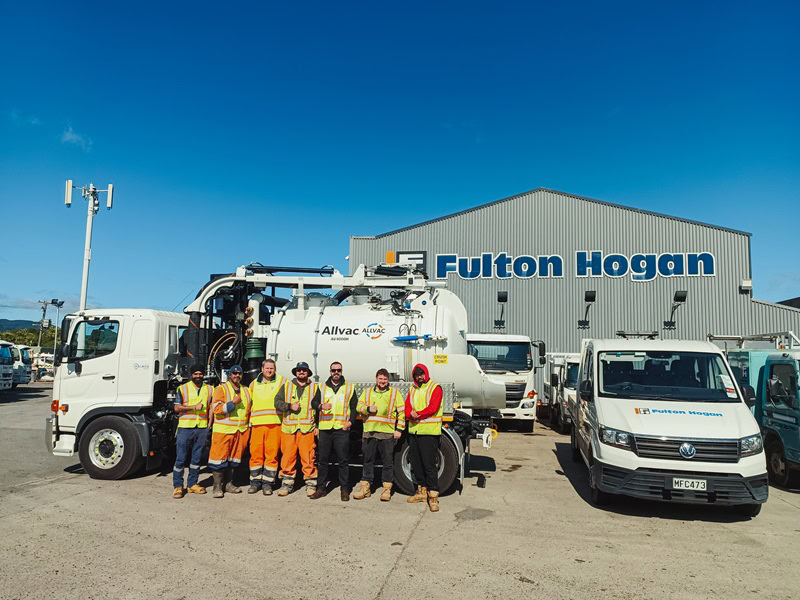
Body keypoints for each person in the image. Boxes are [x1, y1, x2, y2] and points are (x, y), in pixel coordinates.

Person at [354, 368, 405, 502]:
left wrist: (399, 429)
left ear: (388, 380)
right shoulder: (367, 392)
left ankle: (387, 489)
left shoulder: (394, 393)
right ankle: (365, 488)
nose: (382, 381)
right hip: (369, 432)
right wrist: (367, 409)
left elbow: (402, 412)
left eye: (385, 379)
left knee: (387, 463)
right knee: (367, 461)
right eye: (380, 378)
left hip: (387, 433)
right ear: (376, 379)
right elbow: (358, 406)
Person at [310, 361, 358, 501]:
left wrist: (351, 422)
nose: (336, 372)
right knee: (323, 460)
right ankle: (321, 489)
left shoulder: (349, 387)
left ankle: (344, 489)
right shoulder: (322, 387)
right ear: (330, 371)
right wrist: (321, 406)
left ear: (341, 371)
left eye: (339, 370)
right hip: (325, 429)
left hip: (341, 429)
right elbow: (313, 403)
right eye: (333, 370)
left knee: (343, 460)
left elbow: (354, 407)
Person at [274, 361, 320, 497]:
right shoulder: (286, 386)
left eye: (304, 370)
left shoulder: (314, 388)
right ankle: (287, 484)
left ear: (308, 373)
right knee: (288, 458)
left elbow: (318, 408)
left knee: (308, 458)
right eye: (299, 370)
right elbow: (277, 402)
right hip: (289, 429)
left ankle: (311, 484)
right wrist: (289, 406)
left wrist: (317, 426)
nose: (301, 372)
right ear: (295, 372)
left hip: (307, 429)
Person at [208, 364, 252, 498]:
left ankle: (228, 484)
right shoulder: (221, 389)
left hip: (240, 431)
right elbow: (216, 409)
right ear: (230, 375)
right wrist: (233, 403)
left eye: (239, 373)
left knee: (234, 460)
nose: (237, 375)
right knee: (218, 460)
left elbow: (249, 409)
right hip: (223, 430)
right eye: (234, 373)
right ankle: (217, 486)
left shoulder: (246, 390)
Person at [404, 363, 443, 512]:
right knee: (416, 464)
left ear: (426, 373)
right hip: (414, 432)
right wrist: (410, 414)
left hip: (429, 432)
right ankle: (421, 492)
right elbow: (408, 406)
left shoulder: (435, 387)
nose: (420, 377)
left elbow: (433, 407)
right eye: (417, 375)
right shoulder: (413, 389)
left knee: (429, 465)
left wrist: (417, 414)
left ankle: (433, 497)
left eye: (421, 374)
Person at [172, 364, 213, 499]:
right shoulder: (183, 388)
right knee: (180, 458)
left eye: (200, 374)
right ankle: (178, 486)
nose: (198, 376)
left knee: (196, 459)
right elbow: (177, 408)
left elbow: (211, 408)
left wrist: (209, 425)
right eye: (195, 374)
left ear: (203, 375)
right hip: (185, 427)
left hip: (201, 428)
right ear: (191, 375)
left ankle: (192, 484)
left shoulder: (209, 389)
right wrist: (193, 407)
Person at [247, 359, 285, 495]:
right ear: (262, 369)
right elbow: (248, 403)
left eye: (272, 368)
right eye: (267, 368)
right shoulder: (254, 384)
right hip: (257, 424)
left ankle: (268, 484)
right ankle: (255, 483)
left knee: (271, 455)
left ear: (275, 369)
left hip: (274, 424)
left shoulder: (282, 381)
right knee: (255, 454)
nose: (269, 371)